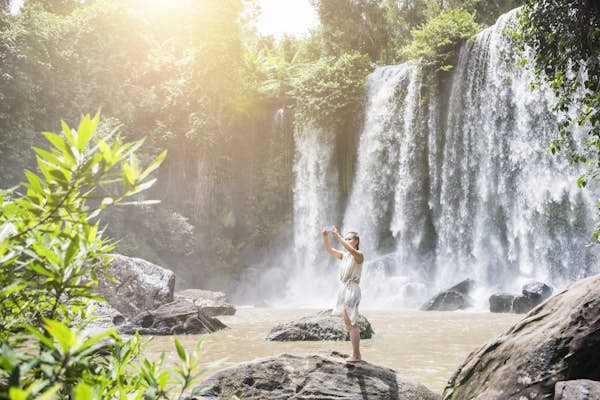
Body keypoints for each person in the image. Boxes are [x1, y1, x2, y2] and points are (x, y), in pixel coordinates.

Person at [322, 226, 364, 363]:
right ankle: (355, 354)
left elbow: (351, 250)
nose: (347, 241)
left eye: (349, 239)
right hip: (345, 288)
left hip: (352, 288)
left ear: (356, 241)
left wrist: (338, 236)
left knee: (352, 322)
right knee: (348, 322)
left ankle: (357, 355)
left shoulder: (359, 255)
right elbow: (330, 250)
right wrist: (325, 237)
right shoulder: (344, 256)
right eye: (346, 239)